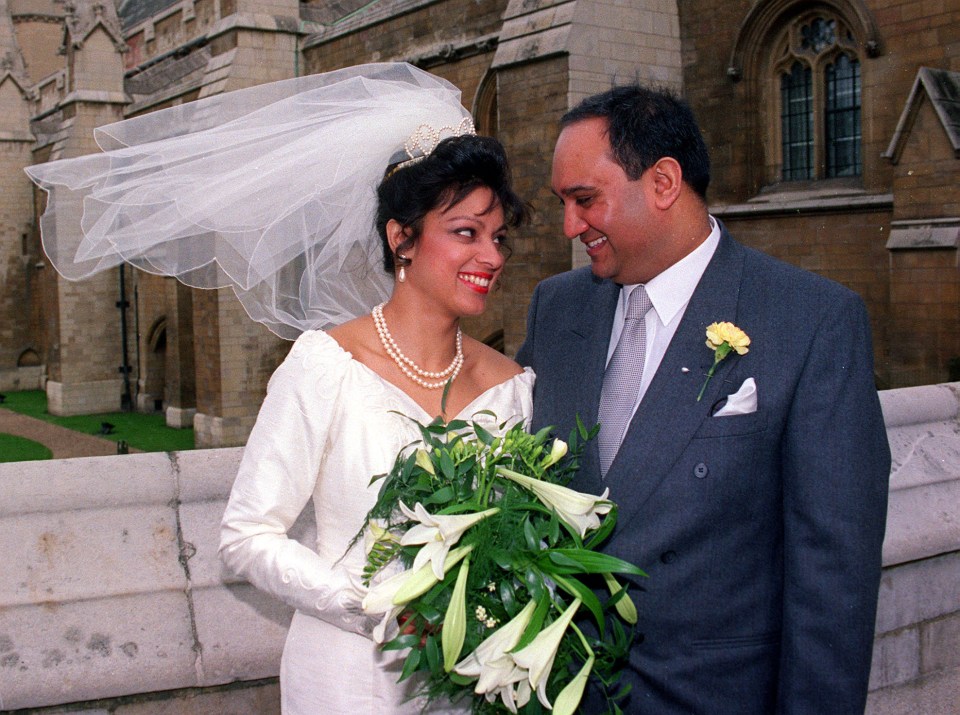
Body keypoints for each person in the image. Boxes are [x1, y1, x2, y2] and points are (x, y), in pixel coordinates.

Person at [26, 63, 532, 714]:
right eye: (465, 232)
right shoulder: (325, 366)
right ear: (401, 238)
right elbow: (245, 536)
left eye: (497, 236)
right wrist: (373, 605)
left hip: (475, 685)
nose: (490, 256)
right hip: (350, 678)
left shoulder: (513, 386)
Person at [516, 84, 890, 713]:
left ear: (663, 182)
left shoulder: (812, 320)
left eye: (585, 200)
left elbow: (833, 578)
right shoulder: (557, 308)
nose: (569, 226)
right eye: (563, 203)